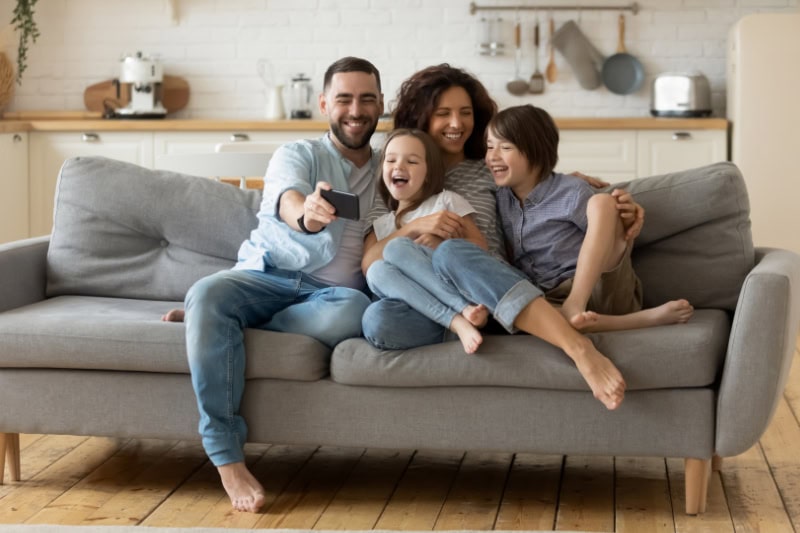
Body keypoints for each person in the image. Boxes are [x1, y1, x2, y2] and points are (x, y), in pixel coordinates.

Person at [180, 56, 384, 513]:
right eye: (345, 99)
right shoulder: (299, 154)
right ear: (324, 103)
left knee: (355, 312)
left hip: (329, 297)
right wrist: (307, 216)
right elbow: (288, 198)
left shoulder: (391, 160)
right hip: (265, 275)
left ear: (381, 104)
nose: (356, 110)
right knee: (209, 292)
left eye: (367, 99)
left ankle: (216, 325)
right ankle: (226, 455)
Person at [361, 64, 643, 349]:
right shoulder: (393, 179)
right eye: (443, 114)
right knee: (378, 320)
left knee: (452, 253)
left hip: (488, 282)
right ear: (420, 117)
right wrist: (414, 227)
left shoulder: (488, 169)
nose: (457, 124)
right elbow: (371, 262)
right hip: (430, 293)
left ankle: (518, 318)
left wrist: (597, 196)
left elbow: (534, 183)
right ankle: (470, 321)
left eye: (466, 113)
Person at [486, 104, 694, 332]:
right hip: (548, 298)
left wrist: (623, 219)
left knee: (602, 202)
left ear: (536, 151)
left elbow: (612, 238)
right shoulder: (498, 199)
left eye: (505, 147)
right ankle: (642, 320)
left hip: (597, 286)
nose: (492, 157)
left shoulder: (571, 191)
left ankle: (575, 304)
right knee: (513, 313)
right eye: (489, 147)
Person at [363, 128, 490, 354]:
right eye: (391, 160)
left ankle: (463, 311)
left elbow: (481, 251)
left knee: (398, 249)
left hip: (454, 296)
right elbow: (367, 267)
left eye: (411, 161)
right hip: (414, 313)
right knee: (375, 298)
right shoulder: (381, 224)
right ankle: (455, 323)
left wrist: (442, 246)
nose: (399, 166)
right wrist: (415, 227)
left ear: (429, 172)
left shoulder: (446, 202)